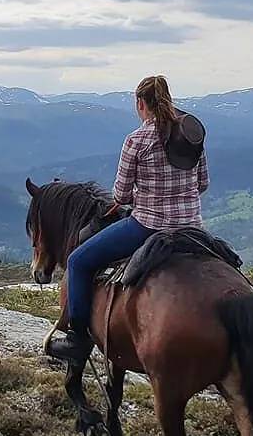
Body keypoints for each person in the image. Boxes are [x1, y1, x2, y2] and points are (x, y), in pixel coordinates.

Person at [46, 75, 209, 363]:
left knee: (78, 262)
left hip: (148, 226)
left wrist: (142, 194)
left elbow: (120, 195)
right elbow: (202, 184)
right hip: (192, 228)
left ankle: (77, 340)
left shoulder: (136, 140)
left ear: (140, 103)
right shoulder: (190, 134)